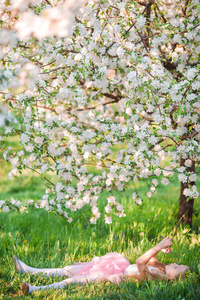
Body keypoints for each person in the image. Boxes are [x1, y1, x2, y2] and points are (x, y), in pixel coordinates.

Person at [13, 236, 190, 294]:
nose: (174, 263)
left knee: (73, 281)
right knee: (69, 270)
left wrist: (158, 246)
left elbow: (140, 261)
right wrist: (160, 252)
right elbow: (151, 260)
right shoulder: (160, 269)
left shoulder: (151, 278)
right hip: (114, 265)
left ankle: (35, 289)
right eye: (178, 263)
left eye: (176, 267)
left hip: (111, 276)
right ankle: (29, 270)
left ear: (170, 279)